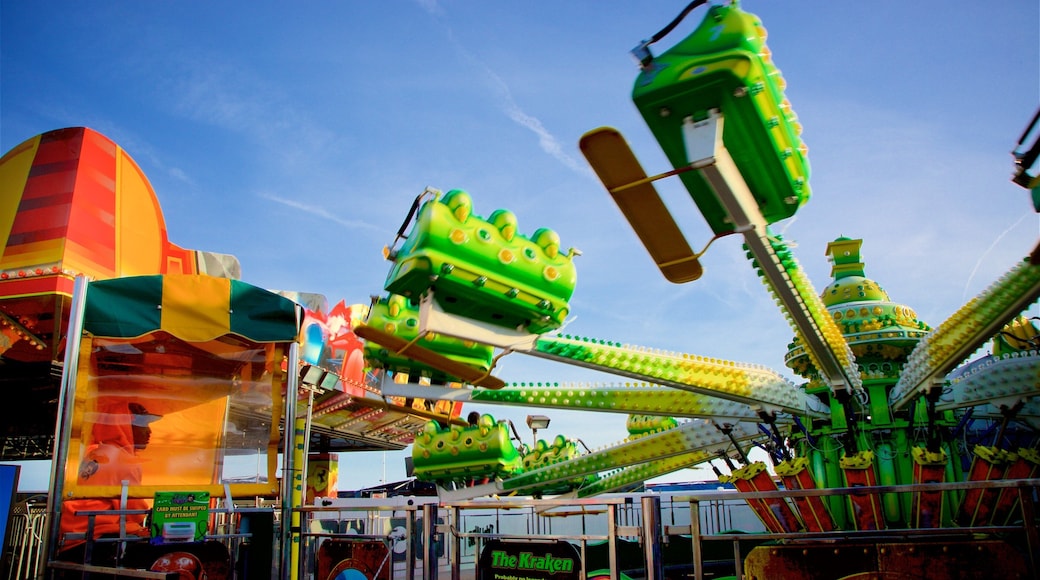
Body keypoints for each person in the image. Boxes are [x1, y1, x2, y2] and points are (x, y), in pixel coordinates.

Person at [57, 399, 162, 570]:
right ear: (123, 426)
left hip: (72, 542)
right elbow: (135, 513)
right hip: (100, 544)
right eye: (143, 424)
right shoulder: (124, 460)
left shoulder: (95, 453)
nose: (149, 431)